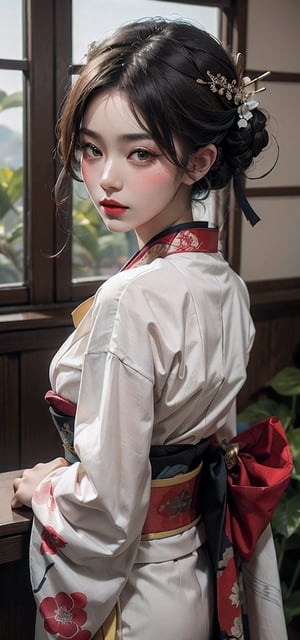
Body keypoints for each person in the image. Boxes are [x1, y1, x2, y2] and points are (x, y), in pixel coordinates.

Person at [11, 18, 288, 640]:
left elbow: (108, 509)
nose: (106, 177)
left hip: (133, 592)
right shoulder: (222, 280)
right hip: (193, 567)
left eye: (140, 153)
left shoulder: (132, 299)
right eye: (90, 148)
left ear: (200, 161)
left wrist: (46, 487)